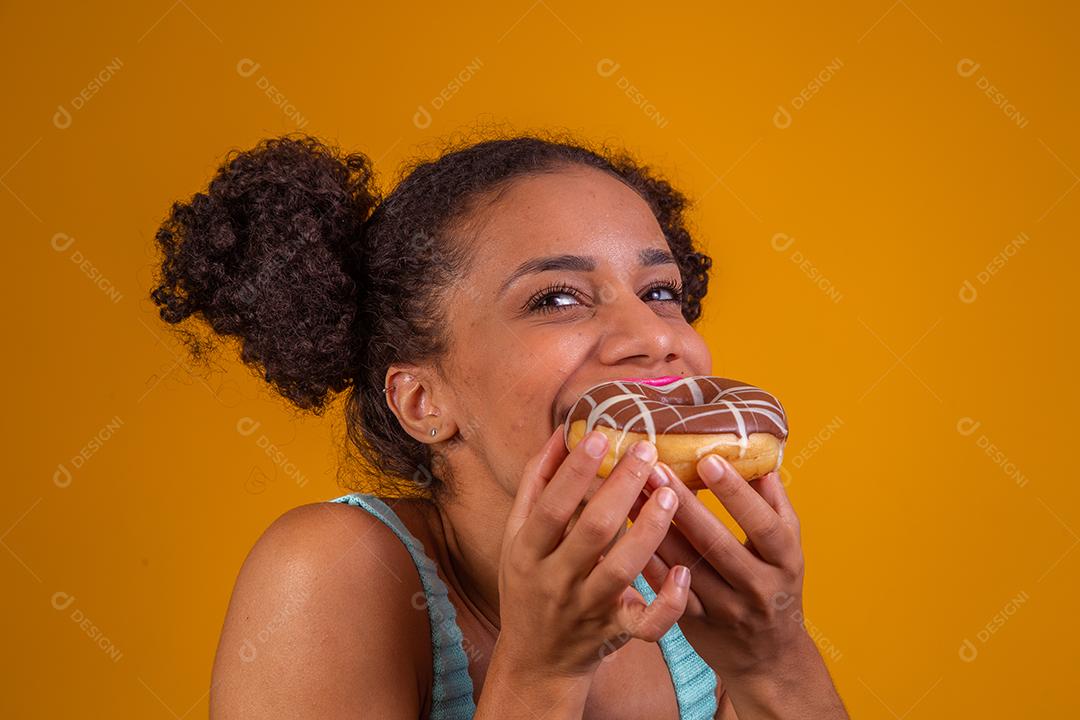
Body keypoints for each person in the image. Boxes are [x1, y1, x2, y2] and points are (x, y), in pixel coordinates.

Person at [150, 130, 849, 718]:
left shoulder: (685, 594)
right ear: (424, 401)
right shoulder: (334, 570)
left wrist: (773, 660)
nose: (651, 335)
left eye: (660, 292)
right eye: (556, 298)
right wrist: (542, 672)